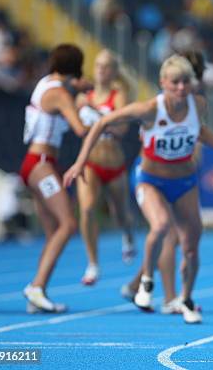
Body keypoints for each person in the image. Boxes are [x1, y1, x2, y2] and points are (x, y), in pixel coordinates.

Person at [64, 55, 213, 323]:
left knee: (192, 246)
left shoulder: (198, 104)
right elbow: (102, 123)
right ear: (163, 83)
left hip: (184, 182)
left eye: (185, 82)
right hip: (151, 180)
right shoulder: (149, 109)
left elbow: (200, 131)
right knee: (160, 227)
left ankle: (186, 298)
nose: (181, 89)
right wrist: (80, 163)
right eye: (175, 83)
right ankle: (146, 281)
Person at [122, 50, 207, 314]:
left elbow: (197, 135)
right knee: (167, 233)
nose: (186, 87)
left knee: (172, 236)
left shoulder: (191, 104)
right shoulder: (162, 106)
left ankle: (136, 283)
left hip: (178, 175)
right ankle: (170, 297)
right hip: (153, 175)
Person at [21, 44, 90, 313]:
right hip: (41, 165)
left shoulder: (46, 84)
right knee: (68, 224)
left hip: (37, 163)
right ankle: (36, 287)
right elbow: (80, 129)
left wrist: (78, 89)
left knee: (54, 232)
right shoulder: (61, 93)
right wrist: (101, 119)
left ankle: (39, 293)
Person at [75, 50, 136, 286]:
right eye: (98, 65)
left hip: (114, 163)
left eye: (106, 66)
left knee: (120, 213)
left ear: (113, 71)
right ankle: (92, 263)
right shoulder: (84, 97)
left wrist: (97, 113)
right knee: (87, 209)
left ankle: (128, 237)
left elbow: (121, 129)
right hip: (90, 162)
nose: (101, 70)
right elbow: (79, 128)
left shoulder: (118, 95)